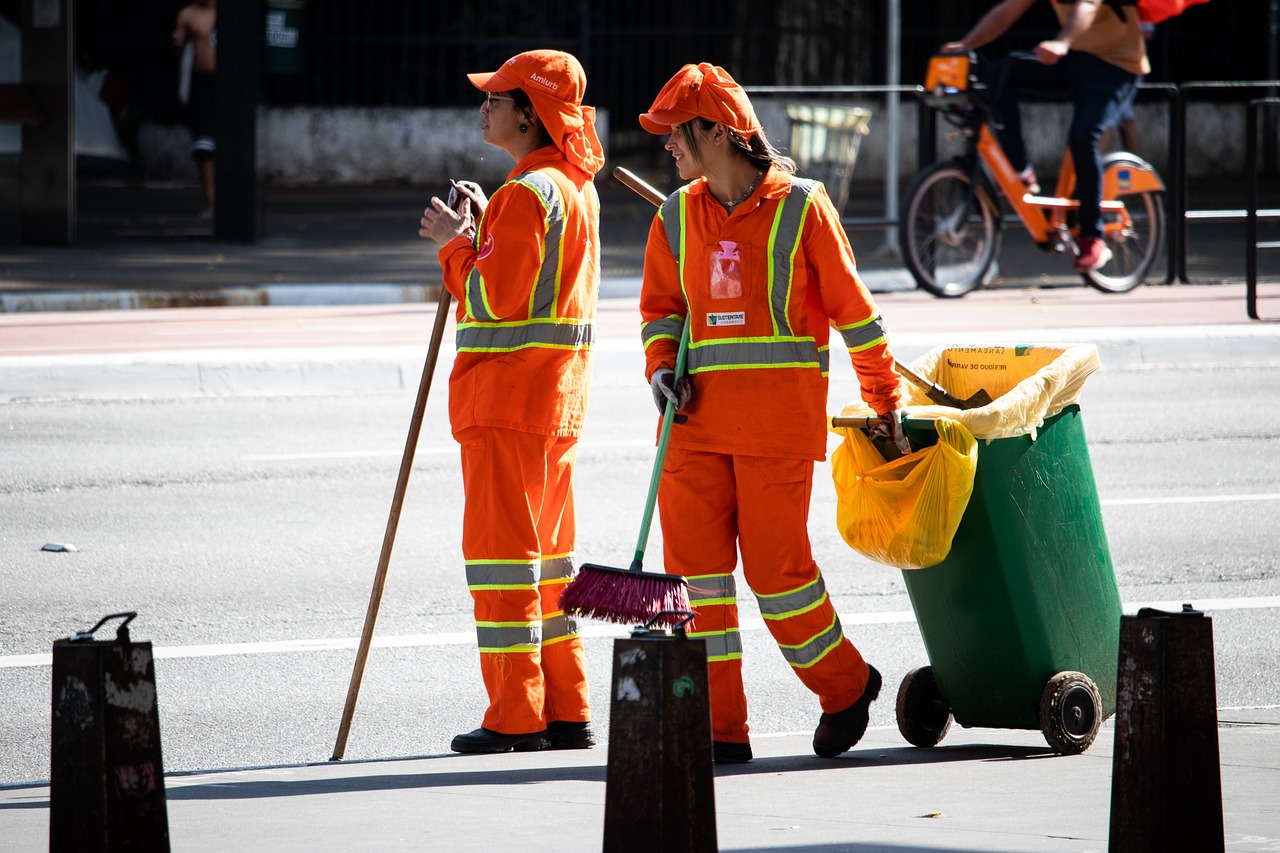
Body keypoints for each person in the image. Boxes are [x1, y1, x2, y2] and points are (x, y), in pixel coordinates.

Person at [636, 62, 910, 764]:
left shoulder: (804, 207)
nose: (667, 144)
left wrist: (885, 401)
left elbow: (858, 315)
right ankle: (718, 729)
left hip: (773, 434)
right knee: (695, 586)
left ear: (719, 133)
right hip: (691, 430)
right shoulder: (674, 215)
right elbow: (662, 311)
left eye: (677, 132)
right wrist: (662, 369)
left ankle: (846, 685)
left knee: (779, 576)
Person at [418, 49, 605, 755]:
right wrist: (481, 226)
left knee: (501, 564)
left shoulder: (529, 194)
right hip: (553, 403)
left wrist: (453, 245)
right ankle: (565, 707)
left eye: (496, 98)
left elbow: (494, 298)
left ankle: (514, 715)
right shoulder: (569, 187)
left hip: (506, 404)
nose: (484, 107)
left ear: (529, 114)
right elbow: (525, 276)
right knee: (549, 564)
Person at [943, 0, 1150, 273]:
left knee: (1083, 138)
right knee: (1000, 74)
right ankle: (1020, 169)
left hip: (1116, 65)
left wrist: (1062, 42)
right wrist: (966, 44)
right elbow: (1007, 10)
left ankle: (1092, 235)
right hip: (1076, 57)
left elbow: (1087, 5)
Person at [173, 0, 217, 219]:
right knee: (204, 144)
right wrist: (179, 42)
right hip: (201, 80)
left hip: (226, 82)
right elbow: (178, 50)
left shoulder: (228, 13)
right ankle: (211, 200)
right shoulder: (188, 15)